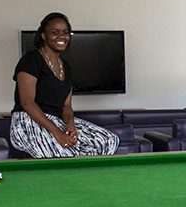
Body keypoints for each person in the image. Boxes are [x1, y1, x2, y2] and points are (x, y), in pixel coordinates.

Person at [10, 13, 119, 158]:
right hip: (28, 121)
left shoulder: (66, 67)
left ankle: (86, 172)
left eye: (65, 32)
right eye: (55, 32)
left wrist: (70, 124)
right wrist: (57, 133)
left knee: (109, 140)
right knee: (64, 154)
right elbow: (27, 103)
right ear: (44, 36)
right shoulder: (31, 60)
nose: (61, 36)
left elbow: (66, 106)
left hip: (56, 120)